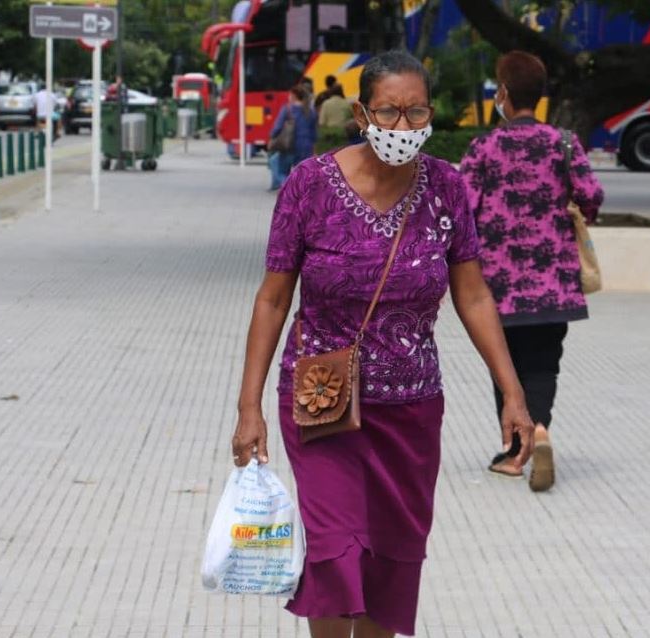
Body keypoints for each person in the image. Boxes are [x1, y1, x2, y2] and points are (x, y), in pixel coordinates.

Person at [231, 50, 536, 638]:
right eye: (390, 112)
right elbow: (272, 300)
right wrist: (249, 407)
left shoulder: (447, 187)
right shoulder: (309, 186)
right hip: (322, 401)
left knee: (391, 559)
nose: (403, 126)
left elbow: (473, 297)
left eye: (416, 111)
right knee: (336, 551)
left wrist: (513, 392)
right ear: (362, 113)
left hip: (412, 408)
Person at [459, 51, 604, 492]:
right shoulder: (563, 143)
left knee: (505, 366)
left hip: (496, 287)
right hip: (554, 283)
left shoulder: (484, 148)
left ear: (503, 93)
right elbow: (592, 195)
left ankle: (513, 451)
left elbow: (463, 207)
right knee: (544, 366)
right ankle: (539, 430)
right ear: (540, 96)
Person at [267, 85, 318, 191]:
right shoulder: (311, 111)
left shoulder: (288, 109)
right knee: (303, 172)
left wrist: (272, 138)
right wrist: (314, 147)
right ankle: (300, 191)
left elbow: (278, 126)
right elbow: (314, 132)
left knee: (280, 170)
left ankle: (288, 189)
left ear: (294, 96)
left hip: (289, 145)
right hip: (306, 146)